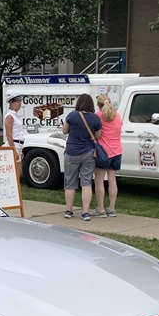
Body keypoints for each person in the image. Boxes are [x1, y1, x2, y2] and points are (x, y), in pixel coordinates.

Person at [60, 93, 101, 221]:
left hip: (71, 152)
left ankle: (69, 210)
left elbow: (64, 131)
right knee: (86, 183)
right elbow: (98, 136)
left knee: (70, 183)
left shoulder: (72, 115)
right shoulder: (95, 118)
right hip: (88, 153)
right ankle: (85, 212)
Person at [94, 95, 122, 217]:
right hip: (117, 151)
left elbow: (97, 134)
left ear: (99, 105)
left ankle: (100, 208)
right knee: (112, 180)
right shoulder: (118, 115)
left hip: (104, 152)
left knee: (99, 181)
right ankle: (111, 207)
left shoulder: (98, 116)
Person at [3, 94, 25, 162]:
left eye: (20, 102)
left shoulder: (15, 116)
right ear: (11, 103)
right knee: (15, 169)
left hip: (19, 145)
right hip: (13, 144)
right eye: (17, 102)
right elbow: (9, 135)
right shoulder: (10, 116)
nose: (19, 104)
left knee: (18, 169)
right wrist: (14, 150)